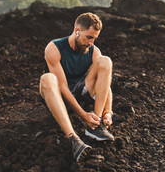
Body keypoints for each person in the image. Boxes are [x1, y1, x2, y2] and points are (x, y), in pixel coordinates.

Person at [39, 12, 114, 162]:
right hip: (59, 99)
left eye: (95, 38)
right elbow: (62, 86)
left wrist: (108, 111)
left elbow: (106, 84)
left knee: (105, 61)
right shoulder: (54, 47)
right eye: (89, 37)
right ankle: (73, 140)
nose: (92, 42)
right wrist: (82, 114)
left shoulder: (93, 51)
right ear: (77, 31)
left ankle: (96, 126)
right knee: (47, 78)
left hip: (81, 93)